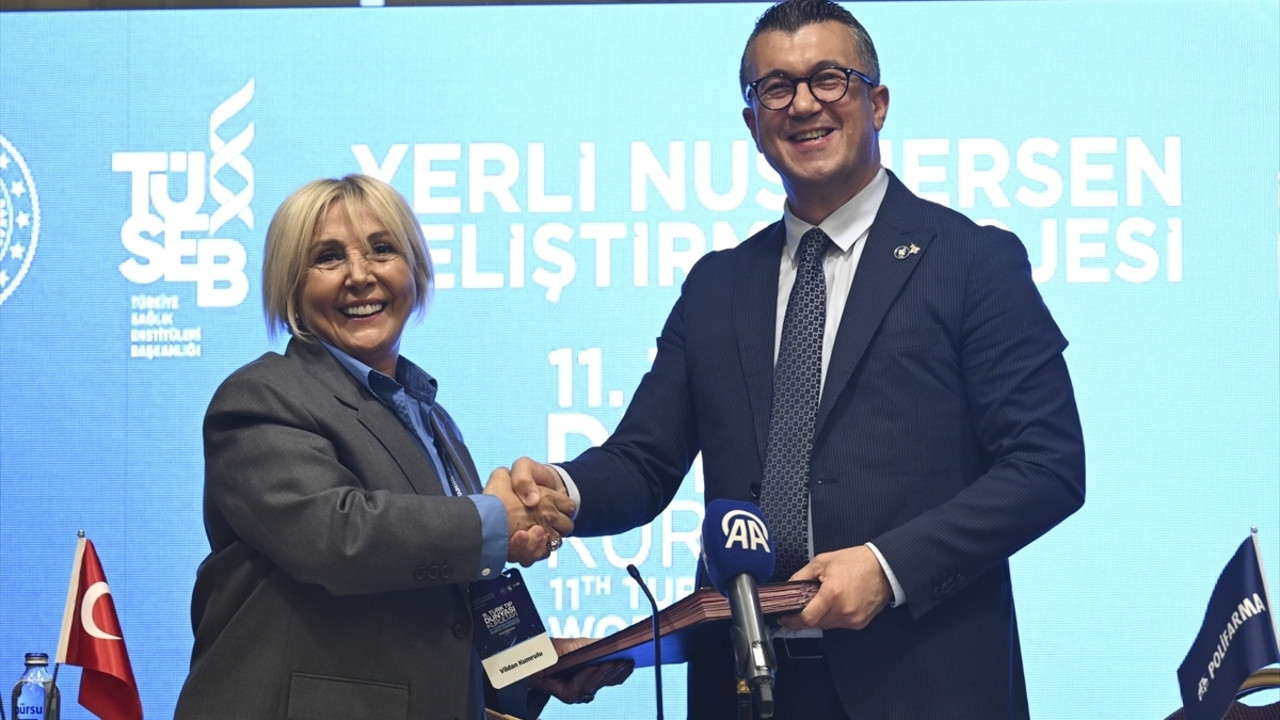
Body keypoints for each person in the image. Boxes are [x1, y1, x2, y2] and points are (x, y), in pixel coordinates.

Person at [503, 1, 1086, 718]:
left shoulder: (972, 260)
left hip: (922, 682)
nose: (804, 103)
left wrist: (887, 569)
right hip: (742, 685)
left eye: (829, 79)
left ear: (877, 102)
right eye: (776, 88)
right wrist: (561, 490)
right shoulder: (717, 285)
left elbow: (1046, 466)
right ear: (753, 124)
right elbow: (644, 460)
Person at [174, 174, 630, 720]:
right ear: (291, 286)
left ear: (415, 270)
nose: (359, 275)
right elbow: (339, 537)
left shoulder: (435, 421)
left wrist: (528, 667)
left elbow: (440, 606)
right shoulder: (261, 397)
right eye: (327, 257)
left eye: (382, 249)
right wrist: (492, 519)